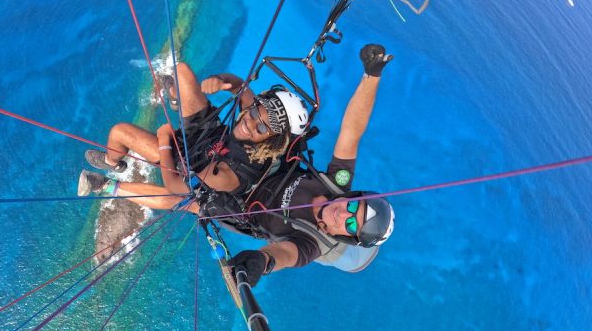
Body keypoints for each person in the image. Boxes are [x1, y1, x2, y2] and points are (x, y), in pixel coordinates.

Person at [99, 43, 395, 285]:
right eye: (354, 206)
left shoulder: (311, 243)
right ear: (354, 197)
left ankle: (111, 177)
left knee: (180, 195)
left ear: (348, 237)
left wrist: (260, 262)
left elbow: (284, 254)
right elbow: (352, 131)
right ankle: (167, 109)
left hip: (223, 188)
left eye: (350, 223)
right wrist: (372, 74)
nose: (343, 212)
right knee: (182, 73)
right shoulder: (336, 184)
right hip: (230, 150)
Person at [79, 62, 309, 196]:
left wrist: (164, 140)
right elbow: (240, 85)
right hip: (210, 135)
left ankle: (113, 164)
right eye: (255, 112)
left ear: (272, 141)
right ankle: (176, 96)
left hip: (187, 163)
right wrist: (219, 80)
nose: (250, 122)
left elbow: (174, 186)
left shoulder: (230, 176)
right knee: (181, 71)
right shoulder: (254, 116)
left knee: (119, 132)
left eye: (261, 128)